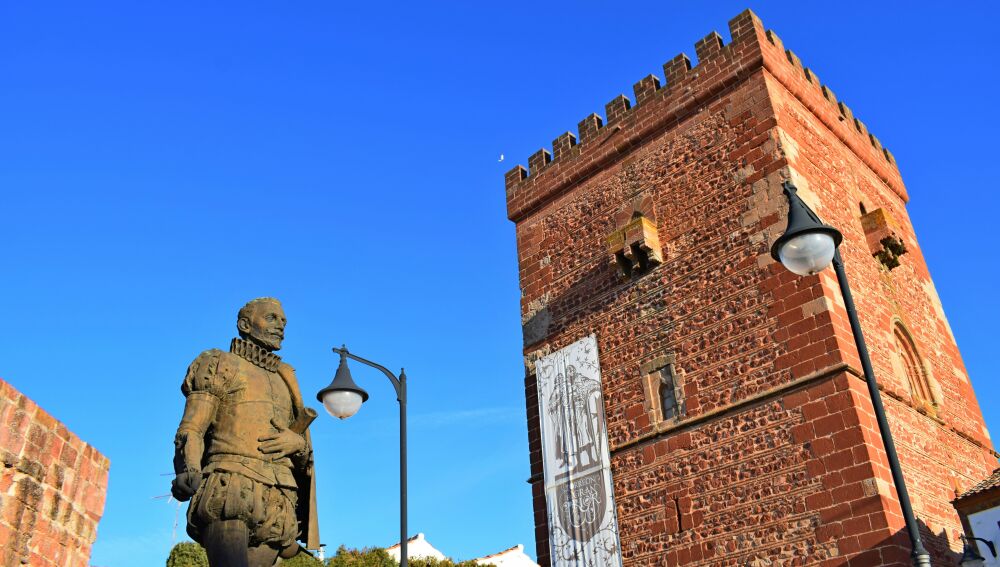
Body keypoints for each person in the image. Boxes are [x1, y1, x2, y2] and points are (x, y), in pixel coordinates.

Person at [171, 298, 319, 567]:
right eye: (272, 318)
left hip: (278, 498)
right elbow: (193, 426)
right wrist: (188, 468)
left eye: (284, 321)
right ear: (245, 325)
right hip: (230, 488)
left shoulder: (286, 378)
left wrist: (296, 441)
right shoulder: (220, 363)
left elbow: (304, 456)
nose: (281, 326)